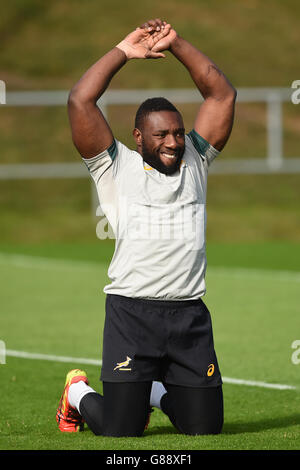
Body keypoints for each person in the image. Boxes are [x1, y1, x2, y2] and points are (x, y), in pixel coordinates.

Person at [56, 18, 236, 437]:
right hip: (131, 314)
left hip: (189, 314)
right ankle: (78, 394)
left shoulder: (196, 157)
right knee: (123, 429)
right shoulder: (114, 166)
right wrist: (124, 49)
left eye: (176, 132)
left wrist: (176, 45)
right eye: (161, 135)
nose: (173, 142)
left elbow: (221, 93)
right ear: (138, 137)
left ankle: (152, 391)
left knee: (204, 428)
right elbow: (80, 100)